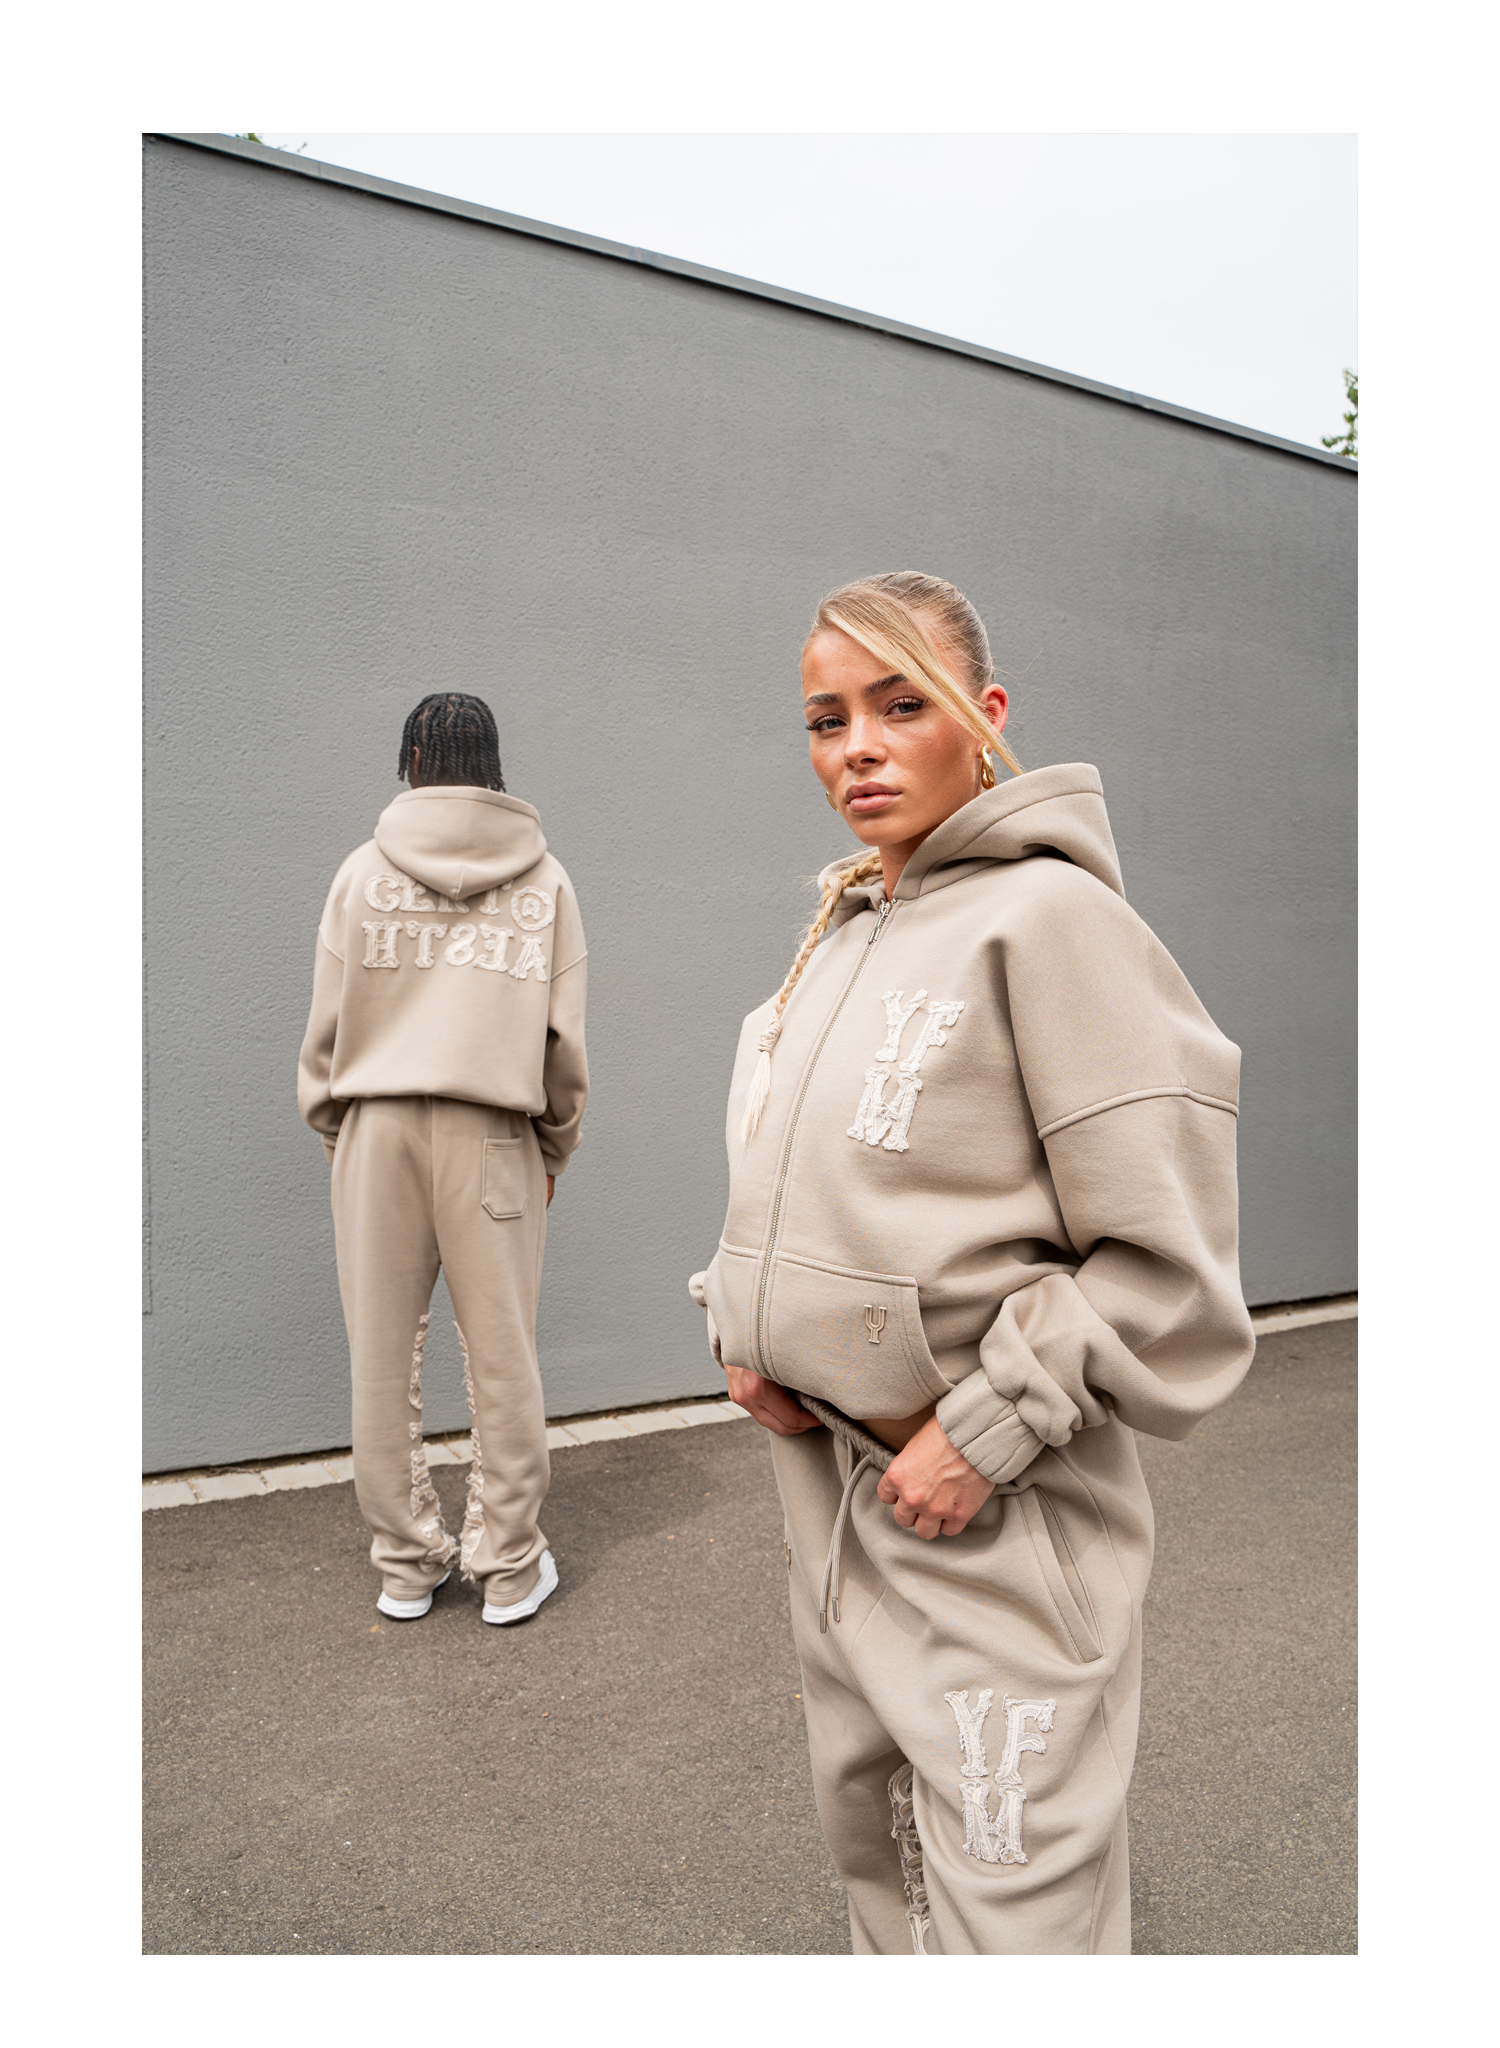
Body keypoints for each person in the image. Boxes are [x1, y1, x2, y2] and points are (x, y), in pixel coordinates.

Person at [689, 573, 1252, 1954]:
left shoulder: (1054, 923)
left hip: (988, 1507)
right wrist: (746, 1330)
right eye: (827, 719)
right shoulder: (842, 934)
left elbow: (1169, 1266)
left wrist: (985, 1429)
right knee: (883, 1862)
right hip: (830, 1493)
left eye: (901, 705)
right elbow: (814, 1182)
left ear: (985, 713)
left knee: (1016, 1896)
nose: (859, 749)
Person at [299, 692, 587, 1626]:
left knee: (381, 1357)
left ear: (411, 760)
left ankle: (405, 1565)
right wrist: (553, 1144)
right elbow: (563, 1043)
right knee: (503, 1354)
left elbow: (327, 1028)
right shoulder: (546, 883)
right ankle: (507, 1565)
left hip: (375, 1131)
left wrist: (340, 1130)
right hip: (496, 1133)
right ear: (493, 765)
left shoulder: (360, 873)